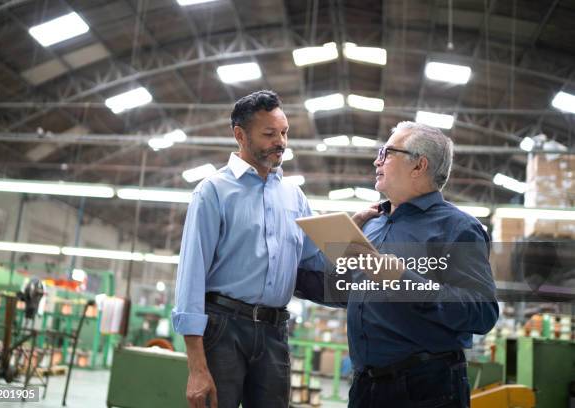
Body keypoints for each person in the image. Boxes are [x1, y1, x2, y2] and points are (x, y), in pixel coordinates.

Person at [296, 121, 499, 408]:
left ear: (419, 165)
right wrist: (276, 275)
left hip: (426, 388)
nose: (376, 160)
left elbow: (482, 311)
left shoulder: (457, 228)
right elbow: (346, 292)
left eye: (387, 152)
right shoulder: (373, 224)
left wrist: (403, 279)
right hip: (366, 387)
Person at [172, 90, 336, 408]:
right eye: (269, 134)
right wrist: (196, 367)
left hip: (275, 331)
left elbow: (314, 260)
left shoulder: (294, 196)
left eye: (285, 133)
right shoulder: (213, 192)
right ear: (240, 135)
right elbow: (191, 276)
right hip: (223, 329)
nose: (281, 142)